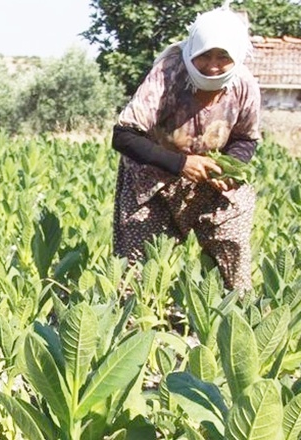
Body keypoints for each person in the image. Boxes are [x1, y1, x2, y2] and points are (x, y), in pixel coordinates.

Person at [111, 7, 261, 292]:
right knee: (139, 269)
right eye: (204, 54)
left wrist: (229, 166)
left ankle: (236, 319)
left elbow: (246, 138)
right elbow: (124, 136)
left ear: (237, 56)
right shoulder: (168, 74)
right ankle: (134, 327)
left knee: (233, 249)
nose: (212, 66)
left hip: (211, 181)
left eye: (223, 57)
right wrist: (181, 164)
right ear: (191, 49)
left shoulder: (244, 84)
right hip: (152, 180)